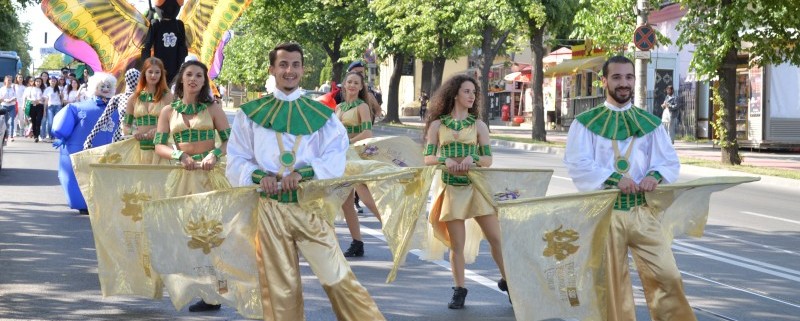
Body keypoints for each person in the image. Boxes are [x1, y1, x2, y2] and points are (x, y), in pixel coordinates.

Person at [226, 43, 384, 320]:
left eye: (296, 65)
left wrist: (304, 174)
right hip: (270, 210)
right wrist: (260, 177)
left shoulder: (321, 115)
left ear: (302, 69)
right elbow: (236, 158)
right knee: (281, 292)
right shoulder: (249, 114)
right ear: (272, 69)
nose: (290, 70)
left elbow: (337, 154)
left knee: (338, 279)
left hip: (309, 206)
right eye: (284, 64)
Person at [563, 55, 693, 321]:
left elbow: (668, 160)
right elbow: (578, 163)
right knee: (613, 287)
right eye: (617, 77)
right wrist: (613, 178)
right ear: (604, 82)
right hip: (605, 215)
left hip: (641, 213)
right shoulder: (585, 122)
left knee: (668, 275)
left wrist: (654, 176)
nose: (624, 83)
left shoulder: (650, 123)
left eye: (629, 77)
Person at [422, 74, 507, 309]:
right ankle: (459, 289)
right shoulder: (438, 125)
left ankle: (508, 281)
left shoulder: (479, 125)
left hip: (477, 187)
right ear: (455, 94)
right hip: (451, 188)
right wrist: (444, 160)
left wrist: (474, 157)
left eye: (474, 93)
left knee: (496, 238)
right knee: (456, 245)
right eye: (467, 91)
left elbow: (488, 159)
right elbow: (428, 157)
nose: (472, 96)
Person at [152, 60, 231, 312]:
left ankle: (213, 293)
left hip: (209, 177)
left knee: (210, 233)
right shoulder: (167, 111)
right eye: (189, 74)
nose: (194, 79)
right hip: (182, 177)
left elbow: (231, 141)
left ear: (204, 81)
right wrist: (178, 156)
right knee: (184, 233)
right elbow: (159, 145)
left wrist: (215, 154)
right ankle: (195, 287)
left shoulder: (213, 108)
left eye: (199, 75)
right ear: (181, 79)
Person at [52, 73, 118, 214]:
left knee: (107, 175)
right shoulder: (77, 108)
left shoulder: (119, 109)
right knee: (82, 174)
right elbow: (63, 125)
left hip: (111, 149)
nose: (105, 89)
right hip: (83, 148)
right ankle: (83, 203)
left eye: (108, 86)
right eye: (102, 86)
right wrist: (62, 136)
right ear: (94, 87)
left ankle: (106, 202)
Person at [336, 71, 383, 258]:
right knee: (347, 203)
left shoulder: (362, 106)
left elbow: (368, 133)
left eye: (356, 83)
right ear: (344, 84)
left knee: (365, 196)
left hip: (356, 154)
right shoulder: (338, 107)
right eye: (350, 82)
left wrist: (349, 140)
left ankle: (393, 230)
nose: (353, 85)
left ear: (361, 86)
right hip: (341, 156)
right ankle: (357, 243)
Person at [121, 58, 172, 163]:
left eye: (157, 72)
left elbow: (175, 123)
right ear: (144, 73)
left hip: (162, 149)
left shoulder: (168, 97)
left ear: (161, 75)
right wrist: (134, 132)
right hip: (139, 150)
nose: (153, 75)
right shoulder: (134, 98)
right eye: (150, 72)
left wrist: (160, 130)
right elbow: (126, 125)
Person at [83, 68, 141, 150]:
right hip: (123, 138)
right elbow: (103, 119)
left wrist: (90, 138)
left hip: (135, 138)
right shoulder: (118, 98)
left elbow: (103, 119)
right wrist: (89, 138)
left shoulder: (143, 98)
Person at [141, 0, 188, 84]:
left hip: (174, 70)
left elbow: (182, 48)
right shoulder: (156, 24)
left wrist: (181, 69)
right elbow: (147, 45)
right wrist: (146, 67)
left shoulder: (179, 25)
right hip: (158, 70)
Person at [42, 77, 64, 142]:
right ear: (49, 81)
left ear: (56, 82)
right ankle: (51, 136)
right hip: (50, 107)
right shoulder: (47, 89)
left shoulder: (59, 89)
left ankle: (56, 136)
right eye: (52, 81)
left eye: (54, 81)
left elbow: (62, 100)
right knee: (50, 122)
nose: (53, 82)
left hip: (58, 106)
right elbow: (46, 101)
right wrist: (44, 110)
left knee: (57, 122)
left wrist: (62, 96)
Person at [24, 78, 44, 142]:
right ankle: (35, 136)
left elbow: (44, 98)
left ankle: (37, 135)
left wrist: (39, 101)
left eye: (39, 81)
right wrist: (24, 106)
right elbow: (26, 97)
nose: (38, 83)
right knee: (34, 121)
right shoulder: (30, 89)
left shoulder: (43, 89)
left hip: (40, 106)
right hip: (32, 106)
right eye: (37, 81)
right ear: (34, 82)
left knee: (38, 121)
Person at [1, 76, 18, 143]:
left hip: (12, 106)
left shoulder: (13, 88)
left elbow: (15, 98)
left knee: (11, 121)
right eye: (8, 80)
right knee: (5, 122)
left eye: (11, 80)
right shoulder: (2, 89)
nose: (9, 81)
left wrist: (11, 100)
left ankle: (11, 136)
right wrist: (5, 100)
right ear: (5, 81)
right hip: (4, 106)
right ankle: (5, 136)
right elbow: (0, 99)